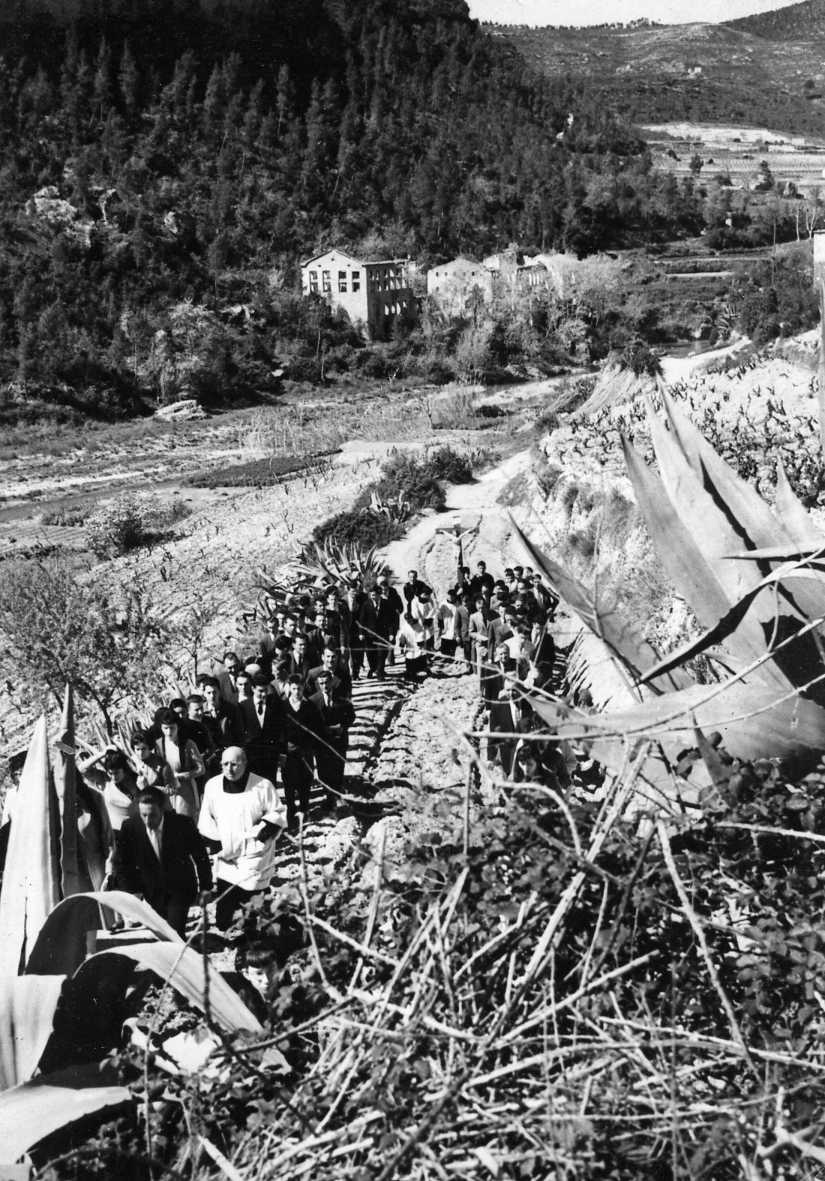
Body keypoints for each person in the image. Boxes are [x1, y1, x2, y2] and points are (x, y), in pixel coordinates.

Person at [198, 747, 285, 931]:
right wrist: (217, 843)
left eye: (235, 764)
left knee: (253, 899)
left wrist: (262, 835)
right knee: (224, 914)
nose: (229, 769)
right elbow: (206, 818)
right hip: (226, 853)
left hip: (253, 853)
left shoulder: (262, 786)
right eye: (225, 764)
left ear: (245, 763)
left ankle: (254, 934)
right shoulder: (212, 786)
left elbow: (277, 813)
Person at [114, 787, 213, 938]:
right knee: (163, 932)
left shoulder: (182, 824)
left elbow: (201, 857)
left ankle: (182, 958)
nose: (147, 821)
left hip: (181, 887)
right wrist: (132, 890)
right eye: (143, 815)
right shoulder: (130, 827)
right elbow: (122, 862)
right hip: (152, 890)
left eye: (152, 815)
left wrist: (206, 887)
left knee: (175, 933)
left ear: (162, 810)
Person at [308, 669, 355, 810]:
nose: (324, 686)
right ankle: (329, 797)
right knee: (323, 771)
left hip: (339, 740)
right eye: (321, 683)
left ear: (332, 682)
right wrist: (322, 730)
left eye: (327, 683)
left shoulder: (342, 698)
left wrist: (343, 726)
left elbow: (351, 716)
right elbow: (309, 722)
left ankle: (337, 795)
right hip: (321, 743)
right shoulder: (313, 701)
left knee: (338, 768)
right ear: (318, 684)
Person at [281, 675, 319, 830]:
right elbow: (279, 729)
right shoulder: (282, 706)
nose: (297, 692)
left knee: (305, 782)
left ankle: (304, 810)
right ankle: (291, 813)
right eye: (294, 688)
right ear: (289, 687)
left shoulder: (310, 706)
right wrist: (284, 747)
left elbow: (316, 729)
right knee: (289, 784)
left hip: (305, 752)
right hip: (289, 754)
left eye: (300, 688)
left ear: (304, 688)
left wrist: (308, 746)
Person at [155, 708, 205, 819]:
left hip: (186, 790)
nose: (169, 732)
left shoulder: (188, 744)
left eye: (172, 728)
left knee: (187, 820)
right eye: (165, 728)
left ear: (178, 726)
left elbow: (201, 769)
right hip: (168, 791)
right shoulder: (158, 744)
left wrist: (185, 775)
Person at [238, 674, 284, 783]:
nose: (263, 694)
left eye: (265, 690)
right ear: (253, 689)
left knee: (270, 784)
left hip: (270, 754)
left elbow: (281, 728)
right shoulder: (243, 706)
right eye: (260, 691)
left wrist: (281, 751)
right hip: (252, 755)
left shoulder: (275, 704)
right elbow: (240, 731)